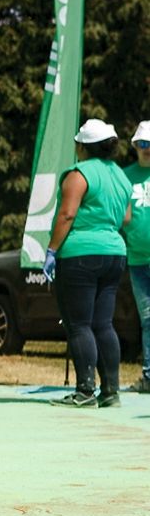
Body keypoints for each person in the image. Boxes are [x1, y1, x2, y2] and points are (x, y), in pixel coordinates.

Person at [43, 119, 133, 408]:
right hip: (115, 252)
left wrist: (52, 250)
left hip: (80, 254)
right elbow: (127, 218)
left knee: (78, 324)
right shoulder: (120, 176)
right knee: (103, 324)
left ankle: (84, 392)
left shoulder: (78, 174)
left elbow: (67, 214)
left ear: (82, 146)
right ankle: (111, 391)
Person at [123, 120, 150, 394]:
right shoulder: (125, 176)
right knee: (148, 319)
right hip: (138, 259)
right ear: (134, 146)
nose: (147, 149)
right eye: (142, 144)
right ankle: (149, 376)